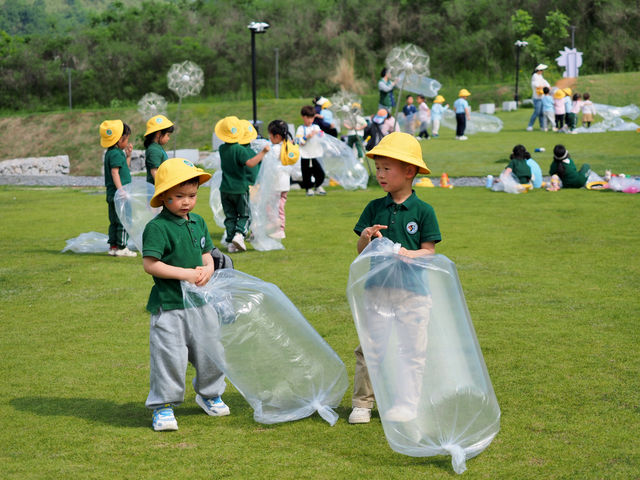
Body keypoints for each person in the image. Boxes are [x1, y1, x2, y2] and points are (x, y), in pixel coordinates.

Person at [348, 132, 441, 424]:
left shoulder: (424, 211)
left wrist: (407, 254)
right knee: (370, 348)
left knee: (411, 350)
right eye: (378, 168)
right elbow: (362, 251)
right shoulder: (375, 207)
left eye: (387, 168)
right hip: (378, 290)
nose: (380, 174)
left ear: (409, 171)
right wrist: (365, 238)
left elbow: (429, 251)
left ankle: (406, 403)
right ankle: (362, 403)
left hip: (414, 293)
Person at [142, 157, 228, 432]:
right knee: (169, 357)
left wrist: (208, 269)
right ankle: (163, 406)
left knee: (211, 350)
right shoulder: (157, 228)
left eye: (192, 195)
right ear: (164, 196)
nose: (187, 202)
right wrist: (187, 274)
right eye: (179, 196)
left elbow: (208, 255)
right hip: (169, 306)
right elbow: (151, 265)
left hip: (202, 302)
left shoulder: (199, 222)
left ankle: (209, 393)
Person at [216, 116, 270, 252]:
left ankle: (230, 242)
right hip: (239, 188)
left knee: (230, 216)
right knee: (245, 215)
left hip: (225, 189)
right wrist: (263, 152)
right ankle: (239, 235)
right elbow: (251, 164)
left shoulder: (222, 148)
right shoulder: (239, 150)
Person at [100, 119, 136, 257]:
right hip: (120, 193)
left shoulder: (111, 153)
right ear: (120, 139)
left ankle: (113, 247)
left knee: (114, 221)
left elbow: (123, 168)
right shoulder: (115, 153)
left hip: (112, 193)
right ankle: (122, 247)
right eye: (126, 139)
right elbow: (115, 173)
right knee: (124, 219)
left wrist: (128, 156)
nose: (127, 142)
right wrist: (121, 190)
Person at [267, 119, 293, 238]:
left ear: (277, 136)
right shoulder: (288, 146)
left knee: (273, 207)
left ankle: (277, 228)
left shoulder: (276, 149)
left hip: (275, 184)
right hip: (285, 183)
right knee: (281, 206)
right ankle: (280, 228)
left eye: (270, 135)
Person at [296, 105, 327, 196]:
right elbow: (299, 141)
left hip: (316, 154)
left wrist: (319, 134)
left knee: (320, 172)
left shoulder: (316, 127)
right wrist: (307, 137)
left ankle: (318, 186)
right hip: (306, 155)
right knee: (306, 173)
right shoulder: (301, 129)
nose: (310, 120)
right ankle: (308, 188)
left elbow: (323, 136)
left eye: (312, 118)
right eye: (308, 118)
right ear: (303, 117)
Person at [143, 114, 174, 184]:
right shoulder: (154, 150)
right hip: (156, 190)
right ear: (158, 134)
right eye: (167, 135)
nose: (169, 138)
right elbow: (154, 171)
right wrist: (162, 187)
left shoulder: (157, 148)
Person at [526, 64, 550, 131]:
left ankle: (542, 126)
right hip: (537, 98)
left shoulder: (540, 76)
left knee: (542, 113)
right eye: (541, 70)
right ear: (538, 70)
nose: (542, 71)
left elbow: (545, 82)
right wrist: (545, 87)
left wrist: (547, 86)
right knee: (537, 112)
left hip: (542, 97)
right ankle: (530, 126)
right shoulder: (535, 76)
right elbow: (537, 85)